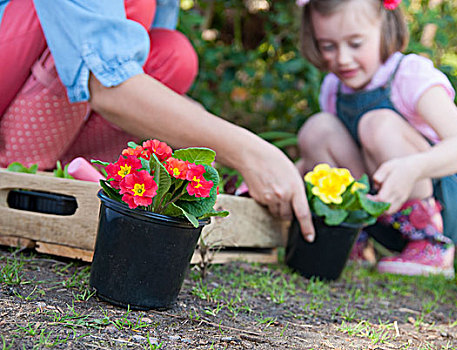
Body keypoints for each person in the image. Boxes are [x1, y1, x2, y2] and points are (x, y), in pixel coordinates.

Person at [0, 0, 315, 240]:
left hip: (46, 106)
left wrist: (201, 152)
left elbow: (141, 78)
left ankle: (70, 173)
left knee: (173, 54)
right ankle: (20, 172)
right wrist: (250, 153)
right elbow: (108, 84)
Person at [295, 0, 457, 277]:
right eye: (328, 46)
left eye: (356, 43)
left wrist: (413, 168)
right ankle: (350, 236)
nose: (342, 59)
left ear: (384, 27)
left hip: (449, 205)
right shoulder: (333, 87)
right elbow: (334, 154)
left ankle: (429, 244)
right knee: (317, 129)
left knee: (376, 124)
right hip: (382, 211)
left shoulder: (409, 74)